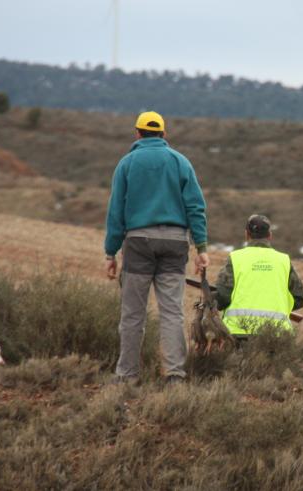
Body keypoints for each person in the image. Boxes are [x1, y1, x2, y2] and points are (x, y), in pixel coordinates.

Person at [104, 111, 209, 384]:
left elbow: (116, 212)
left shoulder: (126, 163)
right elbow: (195, 207)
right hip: (175, 243)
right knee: (172, 312)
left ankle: (127, 375)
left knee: (132, 314)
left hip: (138, 243)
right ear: (164, 134)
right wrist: (202, 247)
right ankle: (174, 374)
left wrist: (110, 252)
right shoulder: (180, 162)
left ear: (137, 133)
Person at [215, 215, 303, 339]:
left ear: (246, 234)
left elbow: (222, 297)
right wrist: (280, 306)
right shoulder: (283, 260)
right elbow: (300, 297)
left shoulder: (236, 258)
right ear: (270, 235)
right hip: (277, 334)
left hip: (239, 333)